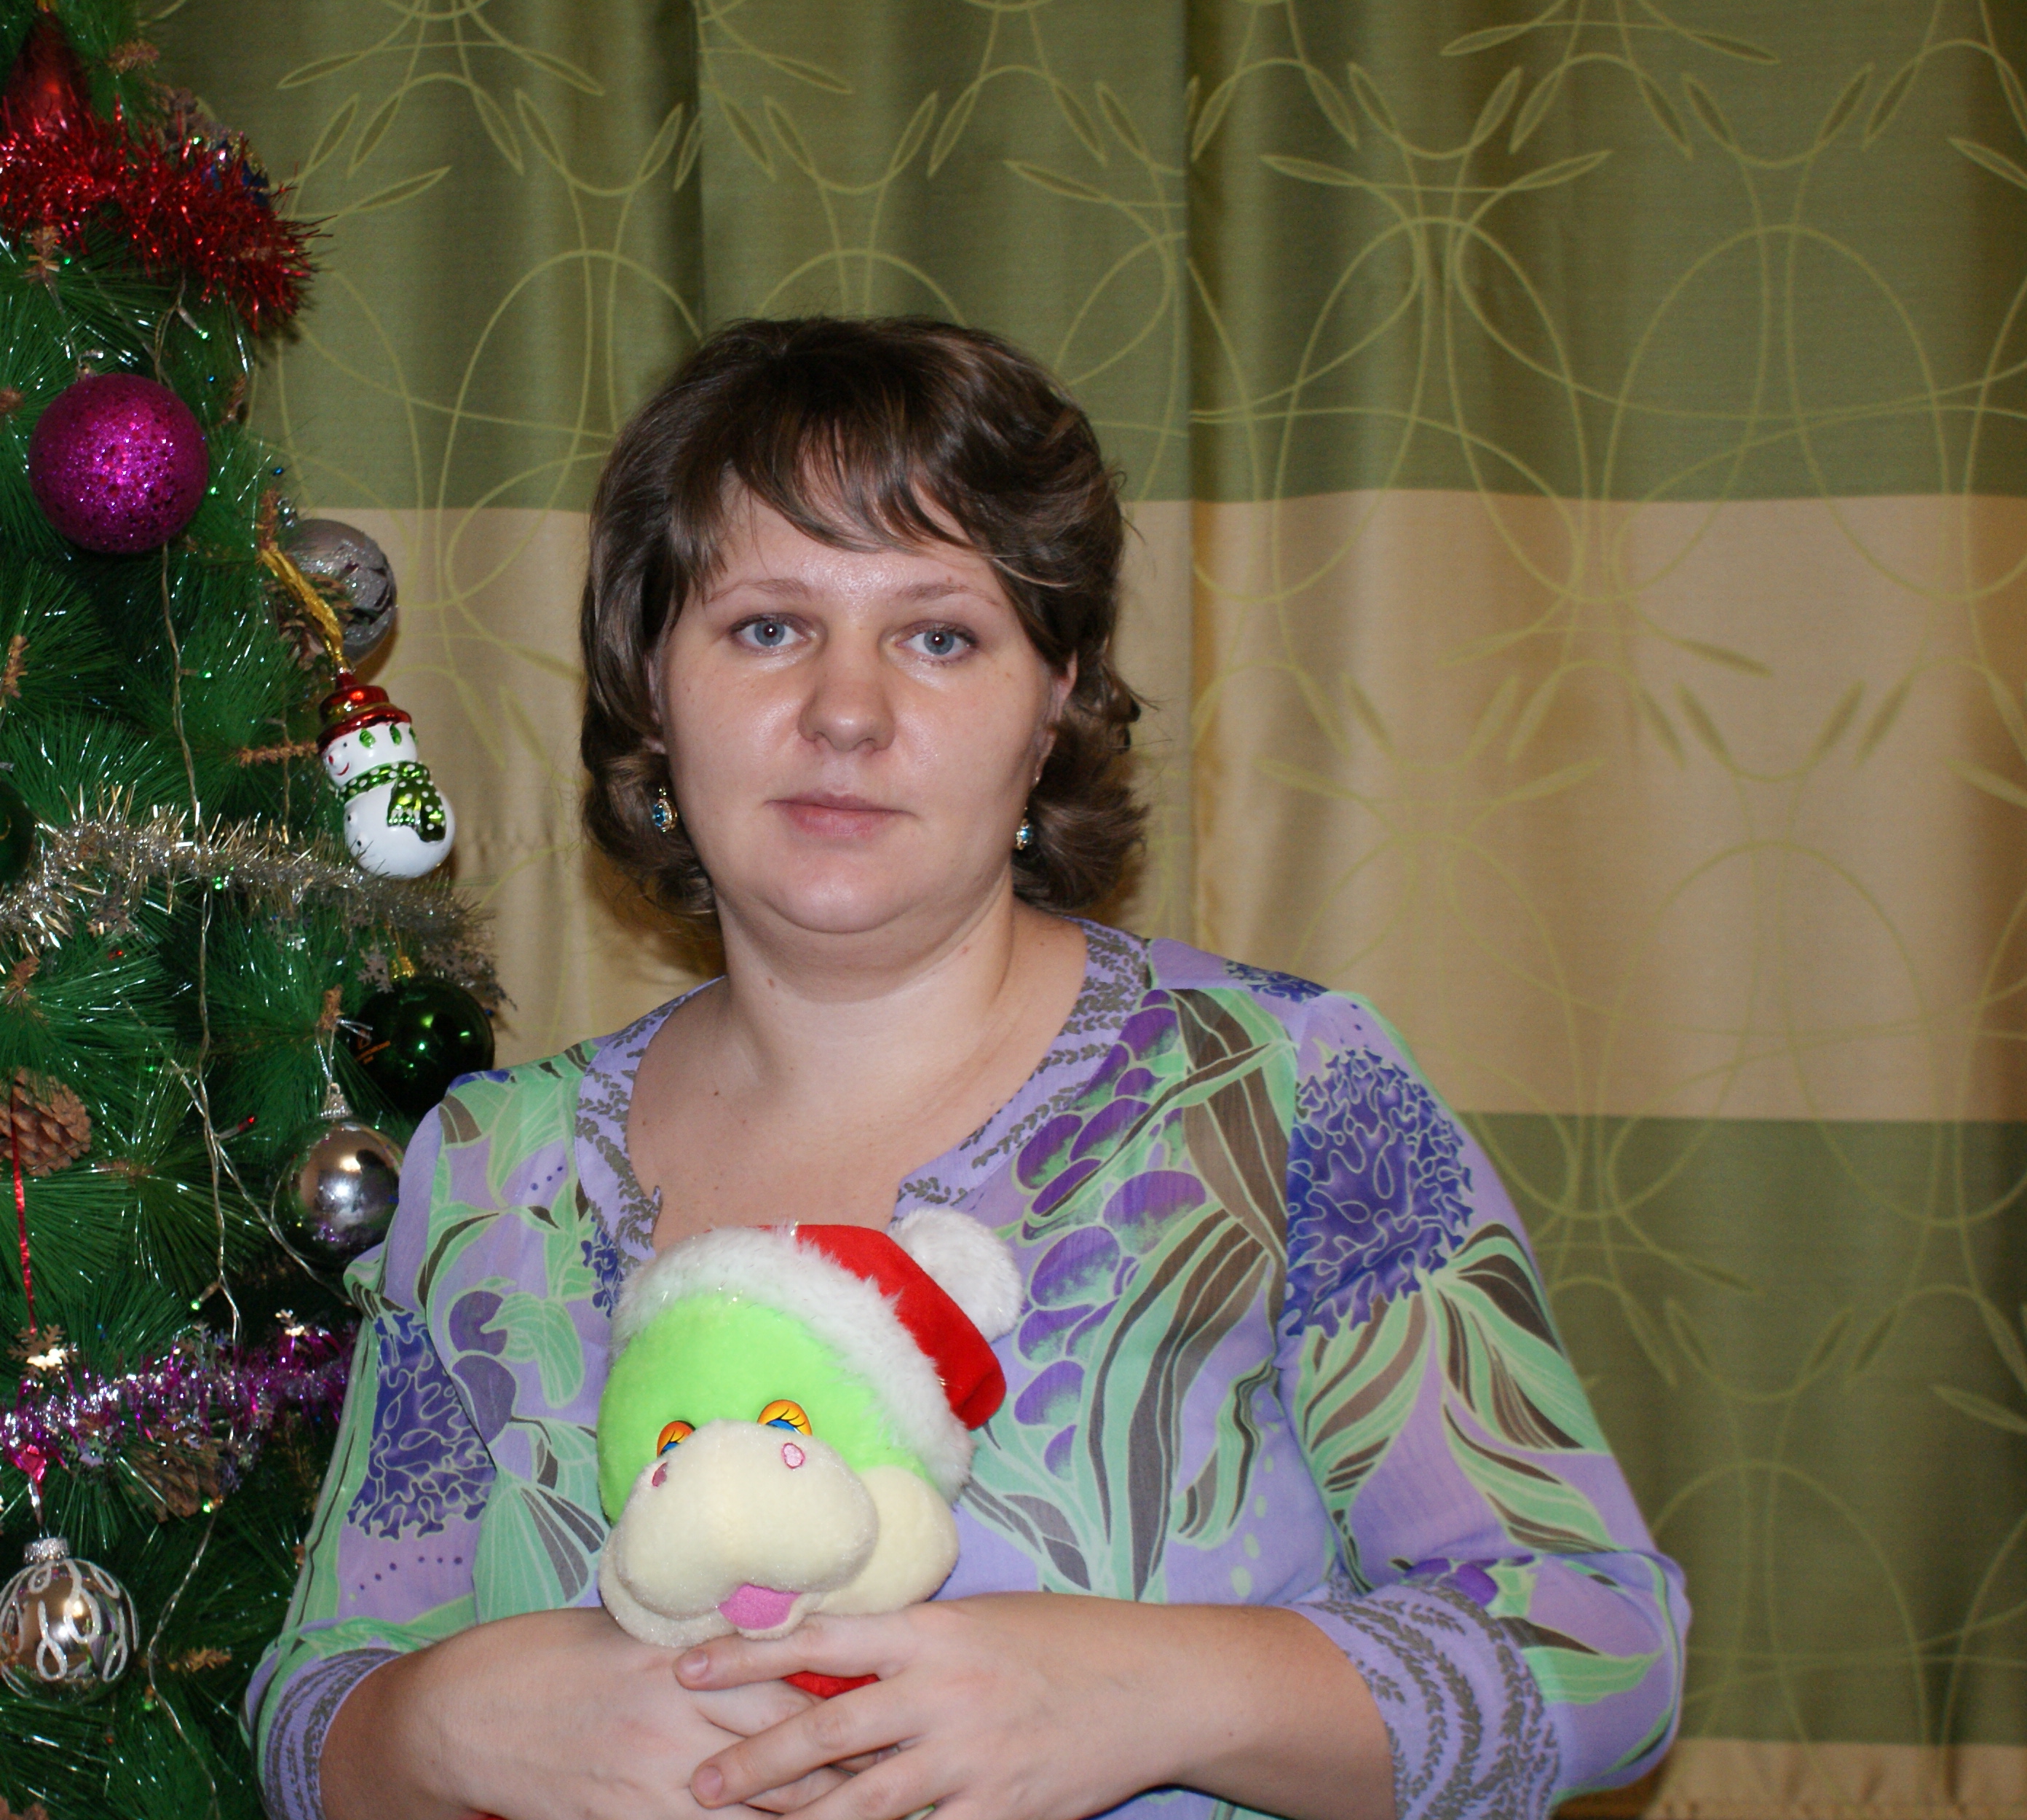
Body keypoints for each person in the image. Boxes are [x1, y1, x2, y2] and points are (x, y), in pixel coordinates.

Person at [248, 317, 1685, 1820]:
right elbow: (314, 1702)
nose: (846, 712)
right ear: (651, 688)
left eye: (939, 635)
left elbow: (1599, 1646)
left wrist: (1144, 1692)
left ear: (1054, 694)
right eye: (766, 627)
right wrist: (442, 1723)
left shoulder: (1285, 1098)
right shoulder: (492, 1168)